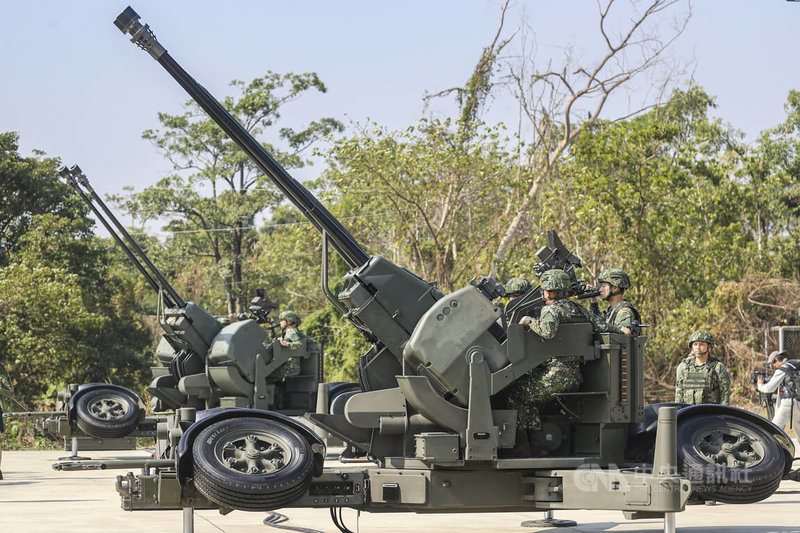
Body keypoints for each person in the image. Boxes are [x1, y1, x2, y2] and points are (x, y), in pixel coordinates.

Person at [507, 269, 621, 431]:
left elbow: (548, 331)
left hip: (555, 378)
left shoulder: (551, 310)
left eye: (545, 289)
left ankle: (530, 441)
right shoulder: (578, 309)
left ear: (551, 292)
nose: (543, 293)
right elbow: (602, 326)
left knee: (517, 394)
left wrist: (528, 320)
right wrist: (622, 331)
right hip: (575, 377)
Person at [675, 330, 731, 405]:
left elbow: (725, 394)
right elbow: (679, 393)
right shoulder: (683, 367)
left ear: (709, 347)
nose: (698, 347)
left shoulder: (717, 367)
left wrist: (722, 415)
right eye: (695, 344)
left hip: (709, 414)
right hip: (688, 412)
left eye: (701, 344)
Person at [757, 350, 800, 433]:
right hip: (799, 401)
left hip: (789, 402)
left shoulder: (783, 368)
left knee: (774, 429)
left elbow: (769, 388)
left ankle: (776, 446)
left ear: (776, 360)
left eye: (773, 364)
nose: (775, 367)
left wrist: (760, 385)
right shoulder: (796, 364)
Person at [590, 268, 641, 335]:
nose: (600, 289)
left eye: (603, 286)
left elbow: (626, 332)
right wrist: (593, 301)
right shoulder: (611, 311)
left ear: (614, 288)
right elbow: (596, 320)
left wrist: (606, 327)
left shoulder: (624, 311)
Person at [274, 310, 310, 380]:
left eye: (282, 320)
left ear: (289, 321)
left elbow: (300, 345)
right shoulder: (287, 331)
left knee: (267, 374)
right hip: (289, 366)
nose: (280, 322)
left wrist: (285, 344)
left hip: (291, 367)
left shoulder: (291, 331)